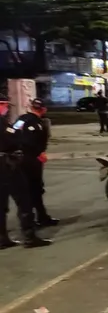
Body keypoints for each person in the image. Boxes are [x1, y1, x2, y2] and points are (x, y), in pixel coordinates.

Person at [1, 97, 51, 247]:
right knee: (24, 199)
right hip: (7, 163)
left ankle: (2, 239)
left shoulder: (21, 120)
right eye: (5, 105)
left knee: (2, 203)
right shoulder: (3, 122)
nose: (6, 108)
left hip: (10, 161)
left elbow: (16, 131)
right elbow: (13, 137)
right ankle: (29, 236)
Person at [14, 99, 58, 228]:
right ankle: (32, 220)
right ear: (43, 109)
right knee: (33, 189)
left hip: (22, 157)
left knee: (34, 189)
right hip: (32, 159)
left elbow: (13, 132)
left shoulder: (22, 118)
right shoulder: (39, 122)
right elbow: (31, 141)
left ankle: (41, 217)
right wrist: (39, 153)